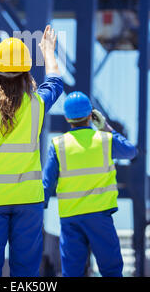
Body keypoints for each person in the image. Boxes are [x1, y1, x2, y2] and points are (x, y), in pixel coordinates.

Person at [0, 25, 64, 277]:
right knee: (26, 270)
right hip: (28, 201)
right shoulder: (37, 106)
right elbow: (55, 83)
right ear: (26, 73)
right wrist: (48, 52)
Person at [43, 91, 137, 277]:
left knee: (72, 272)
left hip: (71, 218)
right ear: (91, 115)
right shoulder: (104, 140)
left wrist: (40, 206)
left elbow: (47, 182)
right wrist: (106, 127)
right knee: (111, 270)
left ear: (67, 118)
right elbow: (131, 152)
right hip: (99, 217)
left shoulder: (58, 145)